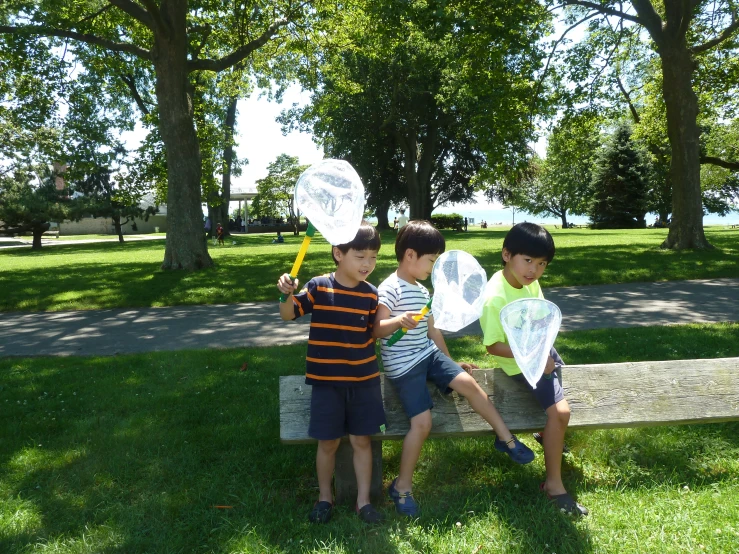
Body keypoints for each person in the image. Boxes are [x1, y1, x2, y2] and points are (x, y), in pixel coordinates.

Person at [373, 220, 534, 517]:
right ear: (410, 255)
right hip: (404, 367)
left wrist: (449, 362)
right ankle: (402, 486)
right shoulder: (390, 288)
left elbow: (433, 333)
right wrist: (398, 322)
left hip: (428, 355)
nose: (433, 269)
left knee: (470, 384)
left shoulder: (423, 291)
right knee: (422, 424)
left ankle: (506, 439)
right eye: (431, 261)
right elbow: (377, 330)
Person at [276, 221, 386, 525]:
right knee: (328, 443)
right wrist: (285, 292)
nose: (368, 264)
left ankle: (363, 502)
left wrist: (400, 326)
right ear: (338, 253)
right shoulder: (319, 286)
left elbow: (374, 333)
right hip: (327, 384)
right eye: (360, 256)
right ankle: (325, 497)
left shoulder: (371, 295)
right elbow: (287, 314)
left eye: (374, 257)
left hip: (364, 382)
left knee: (363, 441)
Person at [480, 222, 588, 516]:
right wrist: (538, 357)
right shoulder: (495, 298)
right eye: (528, 261)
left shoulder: (528, 282)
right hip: (520, 362)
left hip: (535, 349)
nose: (534, 270)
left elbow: (539, 314)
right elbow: (492, 346)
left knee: (560, 381)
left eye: (541, 264)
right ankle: (554, 485)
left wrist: (545, 347)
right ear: (506, 255)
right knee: (561, 412)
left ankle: (546, 434)